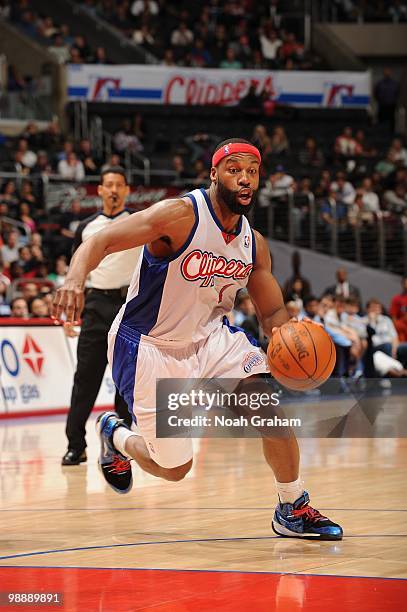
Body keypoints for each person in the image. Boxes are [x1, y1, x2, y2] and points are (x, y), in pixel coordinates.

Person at [53, 140, 343, 540]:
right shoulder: (178, 215)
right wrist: (73, 280)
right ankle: (116, 435)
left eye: (252, 171)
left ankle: (291, 506)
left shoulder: (253, 243)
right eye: (234, 169)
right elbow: (98, 241)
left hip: (212, 340)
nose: (244, 179)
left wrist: (287, 338)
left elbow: (272, 311)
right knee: (174, 469)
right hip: (150, 346)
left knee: (267, 412)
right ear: (214, 174)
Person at [60, 167, 143, 466]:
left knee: (126, 381)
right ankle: (75, 445)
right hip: (95, 305)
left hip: (129, 308)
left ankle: (118, 446)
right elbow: (76, 272)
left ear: (126, 190)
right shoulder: (86, 226)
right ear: (99, 189)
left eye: (119, 185)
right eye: (108, 185)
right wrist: (71, 312)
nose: (113, 190)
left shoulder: (139, 223)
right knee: (86, 379)